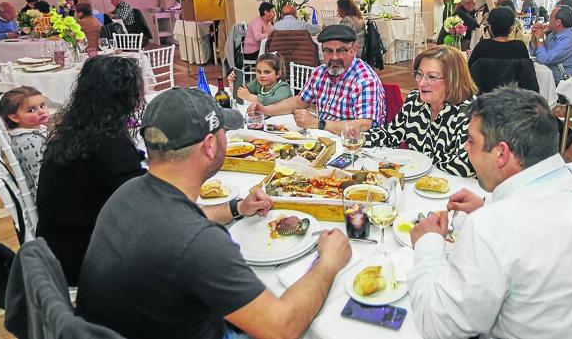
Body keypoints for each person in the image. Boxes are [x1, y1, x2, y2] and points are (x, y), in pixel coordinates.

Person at [76, 87, 352, 339]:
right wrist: (328, 262)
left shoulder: (128, 192)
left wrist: (236, 208)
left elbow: (181, 225)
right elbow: (282, 327)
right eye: (224, 132)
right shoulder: (198, 242)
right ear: (210, 146)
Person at [408, 87, 572, 338]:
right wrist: (487, 208)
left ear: (501, 153)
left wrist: (427, 244)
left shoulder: (491, 228)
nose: (465, 148)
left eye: (471, 141)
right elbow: (541, 229)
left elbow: (439, 326)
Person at [36, 56, 147, 286]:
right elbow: (144, 206)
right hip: (85, 259)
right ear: (125, 97)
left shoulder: (72, 130)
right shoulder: (109, 143)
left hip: (55, 247)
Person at [247, 25, 386, 134]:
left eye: (342, 50)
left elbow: (365, 125)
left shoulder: (365, 80)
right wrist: (265, 110)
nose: (334, 57)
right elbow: (299, 101)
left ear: (354, 49)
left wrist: (316, 123)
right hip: (323, 138)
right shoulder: (320, 73)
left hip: (354, 145)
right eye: (328, 51)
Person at [365, 45, 477, 177]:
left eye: (432, 77)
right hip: (416, 183)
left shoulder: (470, 112)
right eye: (419, 74)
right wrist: (360, 138)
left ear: (453, 79)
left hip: (453, 189)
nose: (422, 83)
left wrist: (420, 158)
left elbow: (466, 166)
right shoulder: (414, 100)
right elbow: (391, 135)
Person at [0, 86, 49, 200]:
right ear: (14, 117)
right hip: (47, 197)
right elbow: (41, 178)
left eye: (42, 105)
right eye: (31, 110)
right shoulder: (29, 142)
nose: (41, 111)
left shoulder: (32, 131)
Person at [530, 5, 572, 82]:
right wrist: (535, 34)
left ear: (558, 22)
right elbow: (535, 52)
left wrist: (540, 39)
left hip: (566, 83)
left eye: (550, 17)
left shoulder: (570, 39)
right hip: (552, 75)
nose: (548, 20)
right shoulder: (555, 33)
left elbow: (543, 59)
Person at [227, 52, 293, 105]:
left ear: (278, 74)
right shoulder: (257, 83)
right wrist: (232, 84)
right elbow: (241, 93)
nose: (261, 75)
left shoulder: (284, 88)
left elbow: (271, 102)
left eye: (267, 72)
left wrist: (248, 96)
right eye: (258, 71)